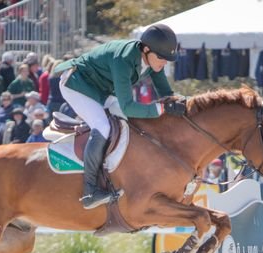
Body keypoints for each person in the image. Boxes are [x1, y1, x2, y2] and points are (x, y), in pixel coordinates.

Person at [54, 23, 182, 209]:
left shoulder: (151, 59)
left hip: (100, 90)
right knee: (103, 127)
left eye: (167, 59)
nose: (164, 62)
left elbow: (166, 93)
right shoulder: (123, 59)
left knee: (129, 123)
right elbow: (128, 106)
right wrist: (161, 110)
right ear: (146, 49)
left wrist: (180, 103)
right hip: (76, 84)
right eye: (161, 58)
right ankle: (90, 191)